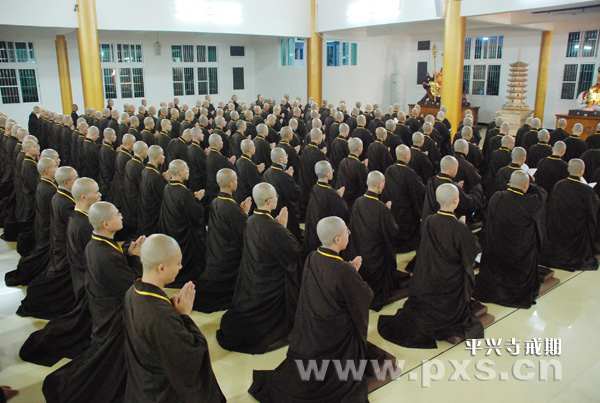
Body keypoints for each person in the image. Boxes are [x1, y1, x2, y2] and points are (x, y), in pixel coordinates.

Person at [249, 216, 374, 402]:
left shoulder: (313, 256)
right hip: (332, 337)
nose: (349, 234)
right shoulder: (342, 269)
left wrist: (350, 274)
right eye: (346, 232)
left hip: (311, 329)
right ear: (337, 239)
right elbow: (365, 296)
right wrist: (353, 275)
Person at [42, 202, 145, 403]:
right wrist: (137, 260)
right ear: (106, 223)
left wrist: (128, 254)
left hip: (101, 309)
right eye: (118, 214)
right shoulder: (105, 255)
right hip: (113, 317)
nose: (121, 216)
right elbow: (130, 287)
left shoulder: (96, 243)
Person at [122, 234, 226, 402]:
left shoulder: (132, 292)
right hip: (159, 392)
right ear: (161, 268)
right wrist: (185, 315)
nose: (181, 267)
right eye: (178, 263)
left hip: (141, 384)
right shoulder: (160, 315)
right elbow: (191, 356)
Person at [378, 184, 483, 348]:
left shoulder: (429, 220)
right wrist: (464, 228)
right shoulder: (458, 227)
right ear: (456, 201)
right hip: (449, 286)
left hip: (429, 277)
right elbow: (472, 252)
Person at [19, 178, 100, 367]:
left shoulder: (78, 216)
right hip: (86, 281)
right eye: (96, 192)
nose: (99, 195)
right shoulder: (82, 224)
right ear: (83, 196)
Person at [217, 183, 301, 354]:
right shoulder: (274, 227)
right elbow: (293, 251)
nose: (277, 198)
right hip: (270, 282)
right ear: (270, 201)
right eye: (276, 196)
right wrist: (283, 228)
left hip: (254, 274)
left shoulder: (252, 219)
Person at [474, 171, 547, 308]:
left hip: (497, 251)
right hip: (518, 253)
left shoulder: (497, 197)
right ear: (526, 186)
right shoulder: (529, 203)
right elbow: (542, 193)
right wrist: (529, 184)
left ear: (509, 183)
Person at [16, 166, 79, 319]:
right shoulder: (62, 200)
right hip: (62, 244)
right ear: (66, 182)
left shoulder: (58, 194)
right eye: (75, 179)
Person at [346, 171, 405, 311]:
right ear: (381, 185)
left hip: (359, 249)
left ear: (367, 183)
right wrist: (388, 212)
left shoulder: (358, 201)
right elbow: (393, 231)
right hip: (376, 256)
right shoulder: (381, 208)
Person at [194, 169, 251, 313]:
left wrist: (241, 213)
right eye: (236, 180)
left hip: (215, 249)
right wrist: (245, 214)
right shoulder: (232, 207)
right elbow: (242, 232)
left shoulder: (215, 201)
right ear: (231, 184)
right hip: (228, 257)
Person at [5, 158, 57, 286]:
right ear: (47, 171)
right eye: (55, 166)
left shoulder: (46, 184)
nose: (57, 167)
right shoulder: (48, 189)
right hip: (47, 227)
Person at [540, 159, 600, 271]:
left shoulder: (559, 185)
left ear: (568, 169)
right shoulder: (586, 190)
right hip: (576, 231)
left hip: (559, 228)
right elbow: (594, 208)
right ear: (582, 171)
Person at [157, 160, 206, 285]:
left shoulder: (168, 187)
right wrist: (198, 200)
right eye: (186, 170)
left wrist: (192, 199)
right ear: (180, 172)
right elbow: (196, 215)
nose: (188, 172)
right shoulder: (184, 192)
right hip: (184, 234)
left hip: (171, 228)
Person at [382, 145, 425, 253]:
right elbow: (420, 191)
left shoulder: (389, 170)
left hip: (393, 210)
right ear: (406, 156)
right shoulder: (409, 173)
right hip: (406, 212)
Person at [303, 161, 349, 256]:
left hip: (313, 230)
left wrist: (336, 196)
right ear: (328, 174)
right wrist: (338, 198)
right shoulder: (331, 194)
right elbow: (343, 212)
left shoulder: (315, 187)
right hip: (325, 234)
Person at [422, 156, 481, 221]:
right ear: (451, 168)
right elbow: (469, 205)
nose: (457, 170)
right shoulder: (451, 187)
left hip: (431, 220)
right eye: (456, 168)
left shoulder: (431, 180)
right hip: (445, 223)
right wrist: (476, 190)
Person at [263, 147, 301, 240]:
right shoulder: (283, 175)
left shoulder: (267, 172)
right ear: (280, 159)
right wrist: (290, 177)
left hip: (272, 209)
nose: (287, 157)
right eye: (285, 156)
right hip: (284, 209)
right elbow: (296, 192)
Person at [139, 145, 170, 236]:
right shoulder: (154, 175)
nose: (164, 157)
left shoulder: (146, 170)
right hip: (153, 213)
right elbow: (162, 195)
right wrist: (166, 181)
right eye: (162, 155)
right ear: (156, 157)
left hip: (145, 210)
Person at [299, 129, 329, 217]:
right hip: (313, 182)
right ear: (318, 137)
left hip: (304, 181)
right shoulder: (318, 153)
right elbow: (326, 167)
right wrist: (323, 154)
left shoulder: (305, 149)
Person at [336, 137, 368, 206]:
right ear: (359, 148)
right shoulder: (360, 165)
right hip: (354, 199)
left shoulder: (343, 161)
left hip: (343, 197)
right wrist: (365, 168)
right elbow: (364, 183)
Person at [206, 133, 236, 203]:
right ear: (217, 143)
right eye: (221, 141)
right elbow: (230, 170)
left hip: (211, 185)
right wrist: (231, 163)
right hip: (217, 188)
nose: (222, 143)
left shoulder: (210, 154)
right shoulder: (219, 158)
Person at [235, 138, 264, 202]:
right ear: (249, 150)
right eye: (253, 146)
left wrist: (255, 170)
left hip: (240, 194)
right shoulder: (250, 165)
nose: (255, 148)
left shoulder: (238, 161)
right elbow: (256, 183)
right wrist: (258, 172)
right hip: (248, 196)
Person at [98, 128, 117, 200]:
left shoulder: (105, 147)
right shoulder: (108, 150)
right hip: (108, 181)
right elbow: (112, 166)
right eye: (114, 135)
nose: (115, 137)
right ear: (109, 137)